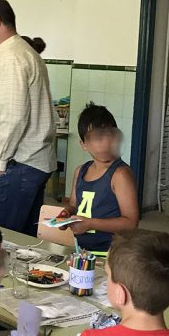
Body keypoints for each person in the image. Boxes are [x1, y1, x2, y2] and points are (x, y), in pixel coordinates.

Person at [0, 0, 56, 236]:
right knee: (26, 239)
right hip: (30, 163)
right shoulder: (22, 51)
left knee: (6, 238)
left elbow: (14, 117)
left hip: (18, 165)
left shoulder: (11, 57)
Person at [57, 103, 138, 253]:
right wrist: (66, 214)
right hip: (81, 252)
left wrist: (90, 223)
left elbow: (131, 223)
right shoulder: (80, 171)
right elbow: (74, 205)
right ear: (84, 145)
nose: (103, 143)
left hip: (111, 255)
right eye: (96, 138)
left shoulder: (120, 174)